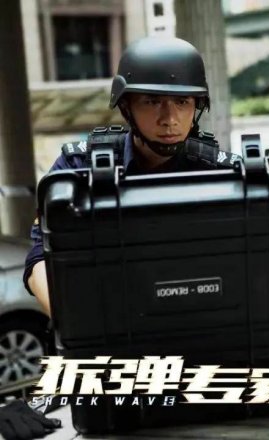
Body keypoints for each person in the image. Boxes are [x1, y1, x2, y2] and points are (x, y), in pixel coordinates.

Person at [23, 36, 238, 318]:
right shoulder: (78, 168)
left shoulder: (223, 173)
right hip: (109, 324)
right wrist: (75, 323)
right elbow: (40, 255)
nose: (169, 118)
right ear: (126, 106)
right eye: (152, 101)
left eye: (182, 102)